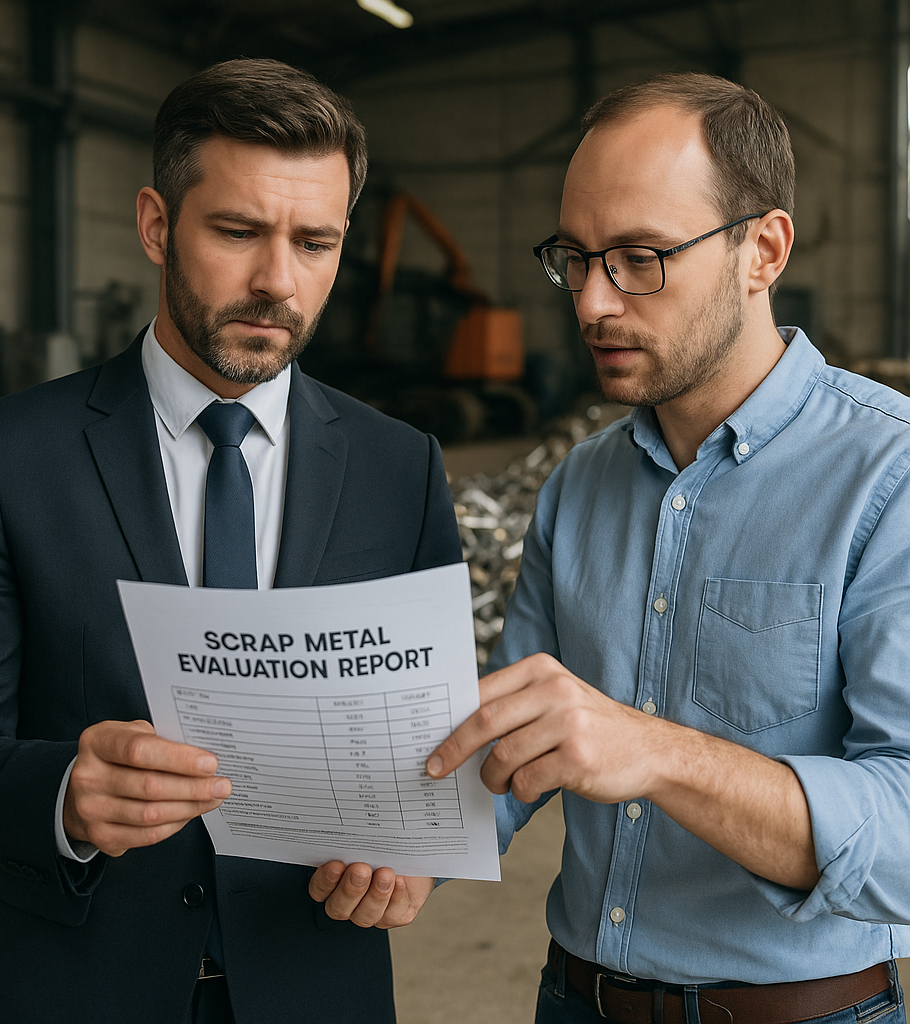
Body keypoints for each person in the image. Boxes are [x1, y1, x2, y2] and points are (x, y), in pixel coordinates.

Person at [315, 73, 910, 1023]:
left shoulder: (890, 475)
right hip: (575, 1000)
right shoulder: (581, 482)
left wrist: (660, 754)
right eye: (576, 258)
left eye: (639, 258)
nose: (592, 303)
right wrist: (411, 837)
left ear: (763, 250)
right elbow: (511, 744)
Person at [0, 58, 461, 1024]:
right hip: (74, 991)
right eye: (237, 232)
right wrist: (61, 792)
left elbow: (432, 748)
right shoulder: (9, 454)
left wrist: (416, 858)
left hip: (317, 989)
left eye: (314, 243)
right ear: (157, 223)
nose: (278, 281)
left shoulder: (401, 468)